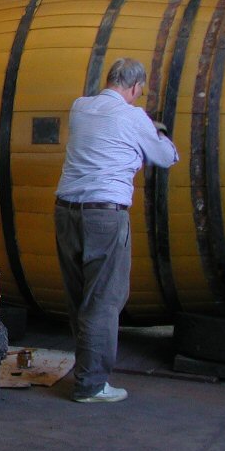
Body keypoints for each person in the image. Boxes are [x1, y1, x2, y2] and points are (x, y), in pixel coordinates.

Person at [54, 57, 179, 403]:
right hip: (104, 216)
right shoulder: (134, 116)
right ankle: (91, 384)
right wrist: (158, 131)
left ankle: (85, 371)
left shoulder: (79, 108)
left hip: (66, 211)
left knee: (79, 298)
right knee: (103, 300)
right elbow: (165, 157)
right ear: (136, 87)